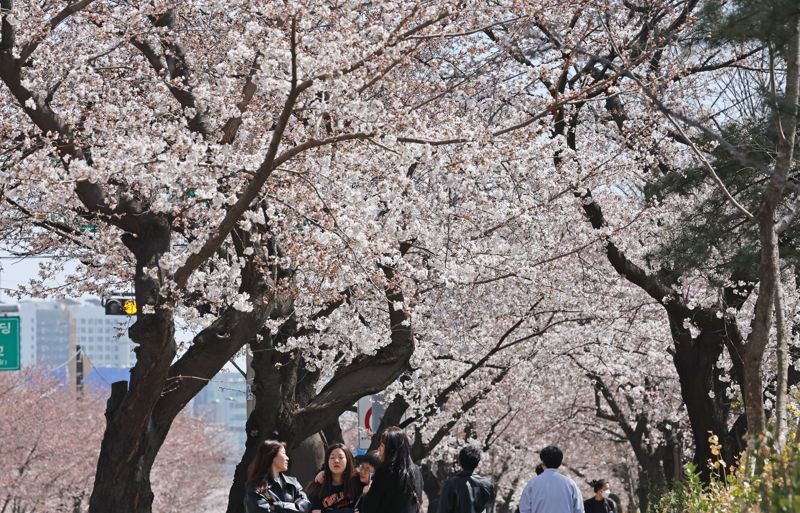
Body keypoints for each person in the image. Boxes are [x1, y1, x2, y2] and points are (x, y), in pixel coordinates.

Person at [357, 426, 424, 513]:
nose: (378, 449)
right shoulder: (417, 472)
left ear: (390, 449)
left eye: (381, 445)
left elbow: (369, 508)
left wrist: (366, 493)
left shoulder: (384, 472)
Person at [245, 440, 312, 513]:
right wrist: (293, 507)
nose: (287, 458)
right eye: (283, 453)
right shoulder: (256, 487)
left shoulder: (293, 483)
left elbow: (305, 505)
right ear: (271, 456)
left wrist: (279, 506)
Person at [518, 446, 583, 513]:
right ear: (560, 463)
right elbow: (579, 510)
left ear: (542, 462)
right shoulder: (570, 484)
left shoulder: (532, 484)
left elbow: (524, 509)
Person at [437, 445, 495, 513]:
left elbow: (443, 509)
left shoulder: (450, 484)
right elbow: (490, 503)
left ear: (460, 463)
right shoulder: (486, 484)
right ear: (477, 464)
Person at [308, 443, 361, 513]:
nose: (336, 461)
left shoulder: (357, 481)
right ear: (327, 461)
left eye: (341, 457)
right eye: (332, 458)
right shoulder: (319, 486)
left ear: (348, 460)